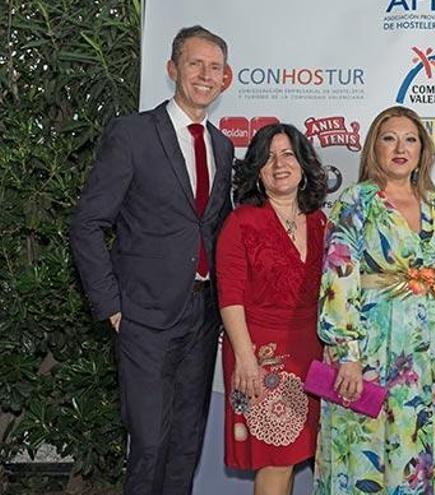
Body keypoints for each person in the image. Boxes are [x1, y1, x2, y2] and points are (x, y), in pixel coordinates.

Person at [69, 26, 233, 495]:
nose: (205, 75)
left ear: (225, 79)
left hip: (202, 318)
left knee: (186, 445)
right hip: (143, 318)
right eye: (195, 63)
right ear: (172, 69)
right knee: (148, 444)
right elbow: (88, 224)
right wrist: (112, 305)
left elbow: (215, 229)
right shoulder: (133, 134)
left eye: (214, 67)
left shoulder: (221, 146)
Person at [314, 105, 435, 495]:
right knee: (369, 447)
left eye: (410, 139)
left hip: (432, 355)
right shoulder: (356, 201)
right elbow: (339, 277)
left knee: (425, 443)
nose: (400, 148)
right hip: (373, 350)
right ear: (375, 148)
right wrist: (347, 353)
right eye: (389, 138)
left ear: (423, 149)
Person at [215, 123, 328, 494]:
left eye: (288, 154)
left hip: (313, 351)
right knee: (275, 459)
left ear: (303, 164)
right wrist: (246, 359)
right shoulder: (241, 222)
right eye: (268, 157)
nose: (279, 164)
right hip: (260, 354)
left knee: (299, 455)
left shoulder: (321, 221)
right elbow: (229, 296)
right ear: (257, 171)